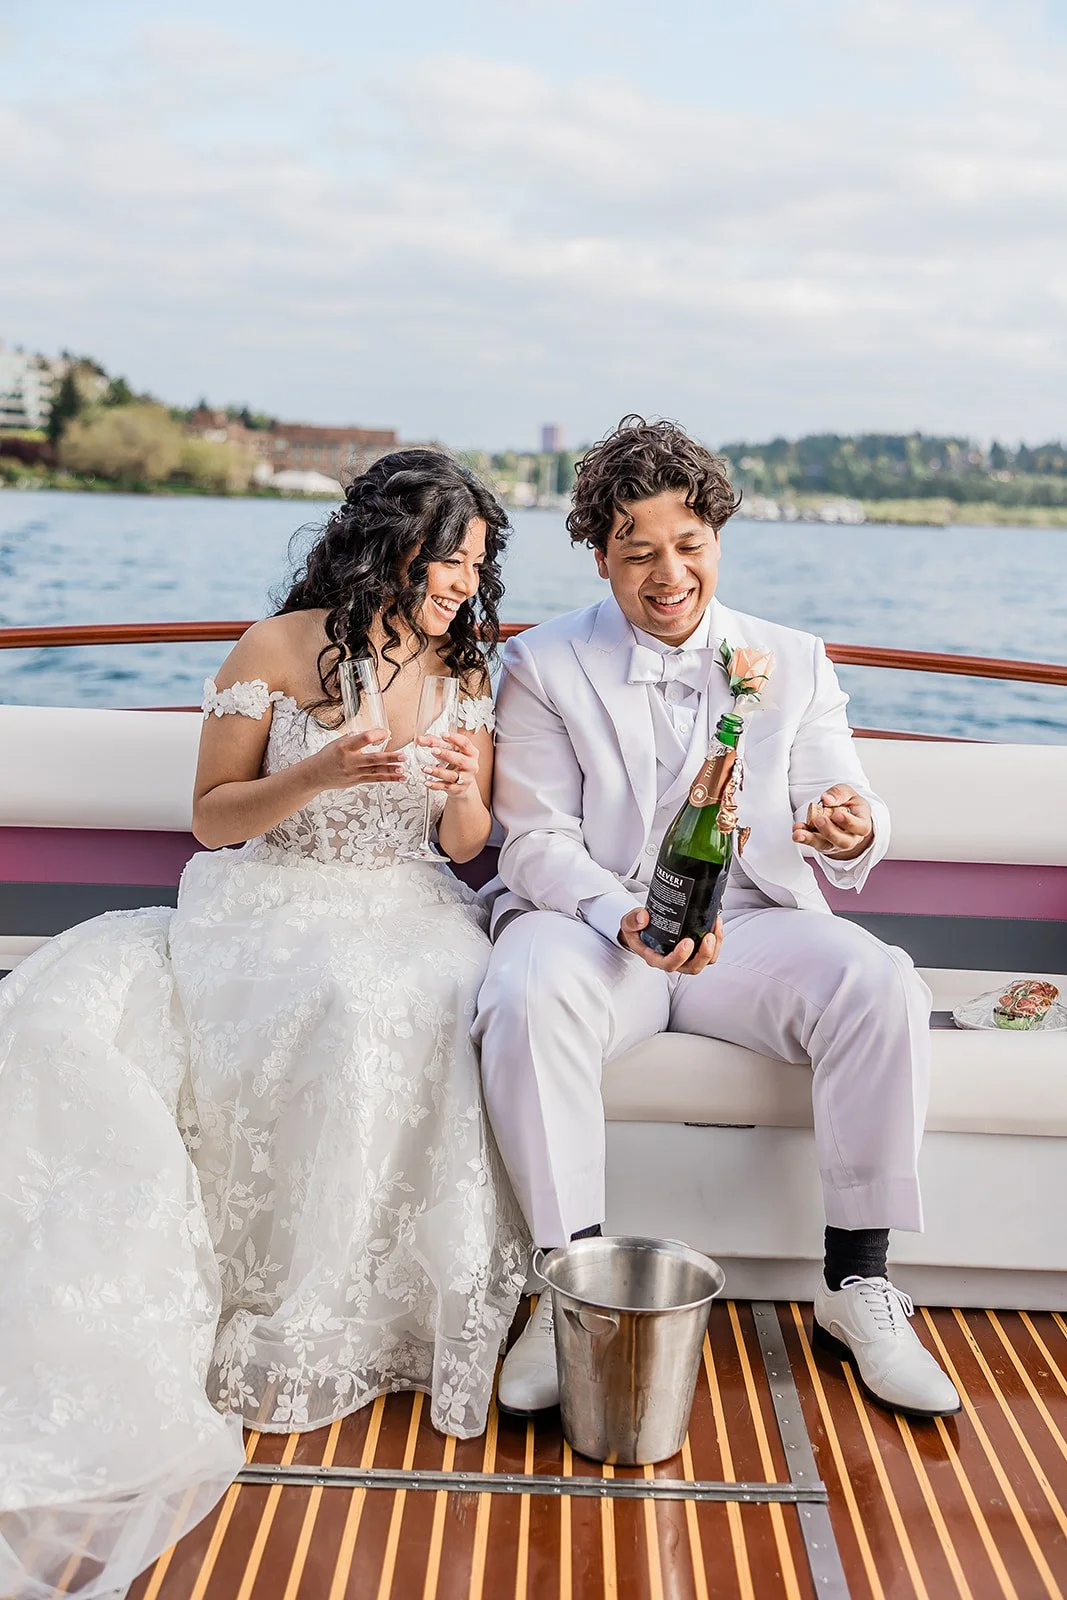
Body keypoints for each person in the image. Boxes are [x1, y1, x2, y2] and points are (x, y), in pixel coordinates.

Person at [0, 450, 527, 1600]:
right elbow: (213, 820)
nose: (461, 586)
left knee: (441, 988)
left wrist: (456, 788)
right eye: (451, 561)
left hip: (409, 899)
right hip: (276, 893)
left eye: (476, 568)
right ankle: (285, 1311)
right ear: (392, 542)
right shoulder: (277, 649)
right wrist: (325, 772)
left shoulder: (464, 666)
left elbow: (465, 846)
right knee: (343, 995)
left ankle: (395, 1305)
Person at [474, 416, 960, 1420]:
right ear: (599, 554)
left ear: (717, 538)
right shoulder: (539, 665)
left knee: (878, 978)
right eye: (637, 550)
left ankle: (856, 1284)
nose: (666, 572)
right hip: (593, 927)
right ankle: (564, 1289)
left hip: (748, 931)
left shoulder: (792, 657)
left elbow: (840, 797)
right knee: (522, 990)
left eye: (686, 544)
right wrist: (622, 919)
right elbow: (531, 844)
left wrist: (845, 824)